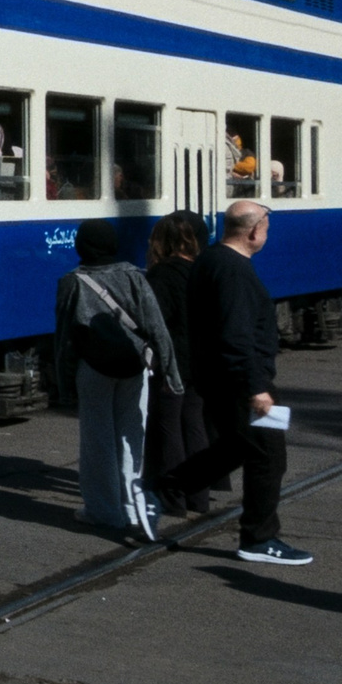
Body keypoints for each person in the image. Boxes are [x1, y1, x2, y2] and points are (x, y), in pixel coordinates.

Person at [153, 200, 311, 565]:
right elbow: (236, 335)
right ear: (255, 232)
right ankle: (259, 538)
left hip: (225, 378)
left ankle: (169, 487)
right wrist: (258, 388)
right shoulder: (233, 272)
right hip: (244, 382)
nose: (266, 235)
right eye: (267, 229)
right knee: (269, 457)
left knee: (237, 448)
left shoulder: (210, 259)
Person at [53, 219, 179, 541]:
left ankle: (103, 512)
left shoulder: (72, 282)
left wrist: (63, 385)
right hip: (134, 365)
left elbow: (65, 339)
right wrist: (171, 374)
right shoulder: (135, 275)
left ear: (80, 246)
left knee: (97, 440)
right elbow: (157, 327)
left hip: (93, 369)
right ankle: (133, 508)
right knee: (130, 437)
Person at [142, 211, 212, 514]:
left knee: (168, 425)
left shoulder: (163, 274)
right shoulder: (203, 269)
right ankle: (199, 496)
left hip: (174, 361)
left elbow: (156, 321)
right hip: (201, 358)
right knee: (193, 423)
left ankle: (174, 498)